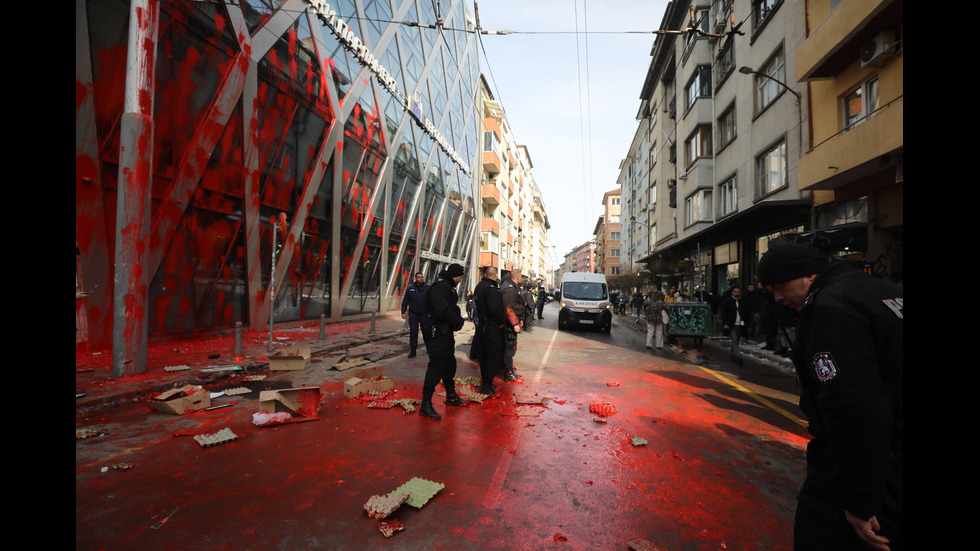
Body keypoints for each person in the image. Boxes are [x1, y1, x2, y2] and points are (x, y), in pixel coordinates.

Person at [758, 243, 903, 551]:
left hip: (874, 467)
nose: (778, 298)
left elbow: (854, 407)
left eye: (780, 287)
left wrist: (858, 499)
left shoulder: (828, 307)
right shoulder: (882, 291)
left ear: (807, 275)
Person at [419, 263, 467, 420]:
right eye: (460, 277)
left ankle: (451, 395)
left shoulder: (446, 285)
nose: (460, 281)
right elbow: (442, 310)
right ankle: (425, 404)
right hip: (437, 333)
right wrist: (457, 320)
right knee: (436, 366)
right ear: (455, 275)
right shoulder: (441, 286)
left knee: (449, 364)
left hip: (445, 333)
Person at [473, 266, 508, 396]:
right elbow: (495, 309)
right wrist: (502, 321)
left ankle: (486, 381)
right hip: (492, 327)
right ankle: (487, 383)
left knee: (484, 355)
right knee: (493, 356)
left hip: (482, 325)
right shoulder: (491, 289)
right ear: (496, 275)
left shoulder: (479, 286)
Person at [499, 268, 525, 383]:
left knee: (511, 347)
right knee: (509, 348)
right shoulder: (509, 288)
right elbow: (508, 308)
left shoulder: (512, 286)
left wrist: (519, 320)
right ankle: (508, 373)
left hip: (512, 321)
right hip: (508, 324)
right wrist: (515, 323)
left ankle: (509, 369)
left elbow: (516, 306)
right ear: (518, 277)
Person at [401, 272, 432, 358]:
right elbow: (405, 301)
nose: (421, 279)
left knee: (426, 332)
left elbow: (432, 301)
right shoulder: (410, 288)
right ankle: (413, 351)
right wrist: (403, 312)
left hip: (424, 314)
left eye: (422, 277)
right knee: (413, 332)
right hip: (413, 314)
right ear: (416, 278)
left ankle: (429, 348)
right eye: (419, 277)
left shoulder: (428, 288)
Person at [720, 287, 749, 365]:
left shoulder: (742, 302)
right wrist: (725, 323)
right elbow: (723, 313)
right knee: (735, 340)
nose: (737, 293)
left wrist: (747, 325)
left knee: (737, 341)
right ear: (732, 293)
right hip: (731, 325)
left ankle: (733, 355)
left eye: (739, 292)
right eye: (736, 292)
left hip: (740, 325)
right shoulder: (728, 301)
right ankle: (738, 356)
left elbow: (746, 313)